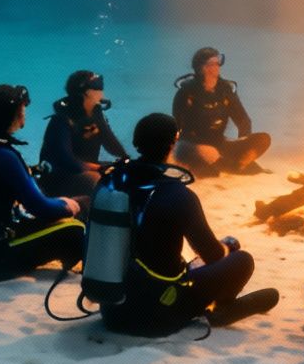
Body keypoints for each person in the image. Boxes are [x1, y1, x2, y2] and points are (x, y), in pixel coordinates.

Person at [97, 113, 280, 336]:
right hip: (159, 314)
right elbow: (212, 254)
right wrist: (227, 247)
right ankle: (219, 309)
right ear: (173, 143)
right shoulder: (177, 193)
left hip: (112, 312)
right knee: (241, 259)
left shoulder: (109, 182)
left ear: (136, 143)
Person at [0, 83, 85, 281]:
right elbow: (40, 207)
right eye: (22, 110)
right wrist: (69, 205)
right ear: (13, 115)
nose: (24, 115)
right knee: (76, 228)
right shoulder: (3, 156)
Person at [171, 47, 272, 175]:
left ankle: (237, 164)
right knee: (208, 167)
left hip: (219, 143)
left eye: (217, 64)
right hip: (192, 146)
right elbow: (176, 125)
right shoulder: (186, 93)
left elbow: (243, 120)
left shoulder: (225, 91)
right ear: (198, 68)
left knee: (263, 139)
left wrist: (243, 144)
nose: (214, 69)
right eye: (209, 65)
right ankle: (228, 166)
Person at [40, 69, 130, 199]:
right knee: (98, 183)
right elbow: (66, 160)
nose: (102, 93)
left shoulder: (96, 115)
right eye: (99, 88)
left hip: (87, 168)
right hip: (63, 177)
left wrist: (125, 159)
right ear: (87, 93)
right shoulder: (62, 120)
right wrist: (98, 167)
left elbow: (109, 140)